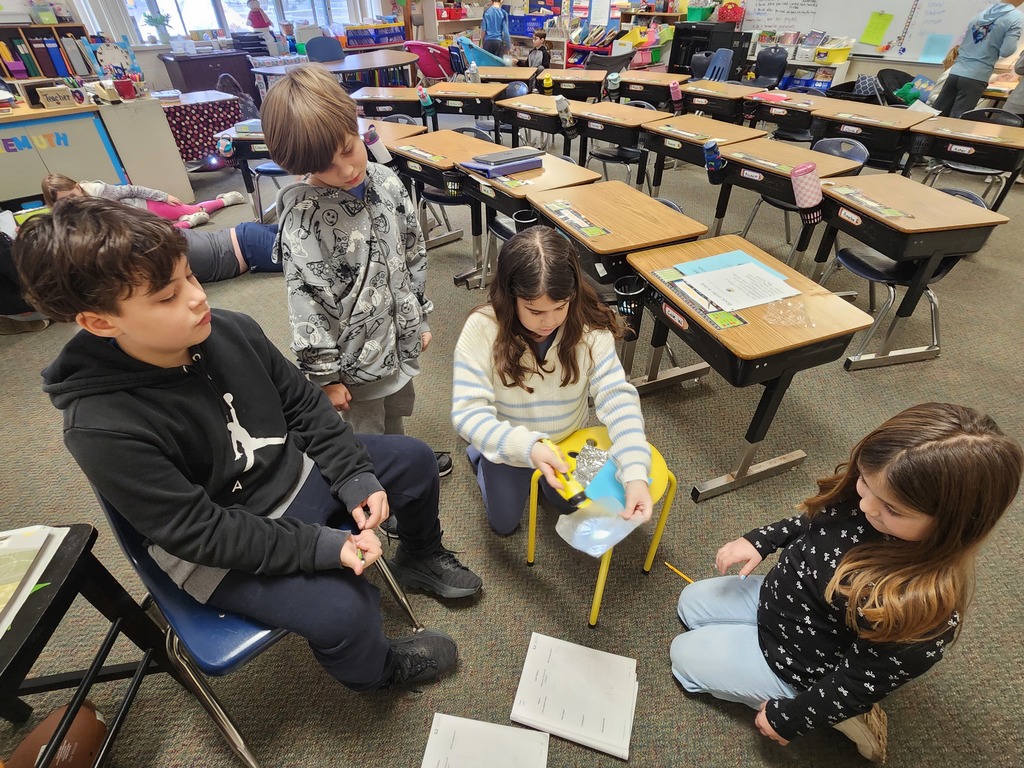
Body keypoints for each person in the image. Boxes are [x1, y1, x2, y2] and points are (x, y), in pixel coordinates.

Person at [12, 196, 483, 692]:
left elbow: (304, 405)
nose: (196, 298)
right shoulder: (100, 426)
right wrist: (324, 546)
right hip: (220, 546)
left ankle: (420, 555)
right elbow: (200, 533)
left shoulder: (231, 329)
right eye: (167, 297)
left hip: (288, 477)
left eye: (189, 277)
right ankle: (379, 674)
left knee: (411, 462)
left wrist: (353, 475)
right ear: (101, 322)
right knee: (345, 611)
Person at [669, 403, 1022, 763]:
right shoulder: (865, 500)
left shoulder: (921, 612)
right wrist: (761, 540)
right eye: (865, 482)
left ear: (953, 525)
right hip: (780, 602)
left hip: (799, 665)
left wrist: (790, 718)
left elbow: (854, 682)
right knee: (690, 603)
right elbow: (810, 522)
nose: (867, 506)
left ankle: (849, 717)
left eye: (893, 510)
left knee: (683, 658)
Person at [260, 64, 452, 477]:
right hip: (352, 359)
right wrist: (325, 377)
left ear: (356, 128)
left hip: (398, 334)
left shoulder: (386, 182)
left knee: (397, 405)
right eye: (327, 167)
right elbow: (307, 303)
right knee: (366, 431)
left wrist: (419, 315)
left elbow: (412, 252)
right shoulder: (302, 219)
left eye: (349, 149)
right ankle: (385, 486)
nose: (346, 170)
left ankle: (405, 463)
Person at [451, 226, 653, 535]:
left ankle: (540, 478)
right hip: (517, 443)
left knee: (572, 504)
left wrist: (636, 471)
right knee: (503, 525)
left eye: (560, 307)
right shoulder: (482, 328)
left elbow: (617, 398)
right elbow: (467, 414)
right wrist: (527, 448)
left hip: (569, 439)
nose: (549, 321)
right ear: (510, 296)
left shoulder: (590, 326)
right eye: (534, 310)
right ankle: (480, 456)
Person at [40, 173, 245, 229]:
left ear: (78, 186)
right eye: (64, 202)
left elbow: (133, 189)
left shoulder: (99, 191)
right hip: (128, 224)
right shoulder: (66, 215)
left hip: (145, 207)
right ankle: (186, 223)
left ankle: (223, 201)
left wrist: (164, 197)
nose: (72, 203)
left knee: (193, 209)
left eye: (73, 196)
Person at [933, 1, 1024, 118]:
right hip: (976, 76)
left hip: (955, 71)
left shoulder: (983, 13)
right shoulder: (1015, 16)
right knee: (958, 121)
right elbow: (1007, 51)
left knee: (938, 115)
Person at [182, 222, 282, 282]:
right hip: (245, 233)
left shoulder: (169, 257)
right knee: (295, 229)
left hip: (250, 247)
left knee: (296, 258)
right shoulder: (170, 234)